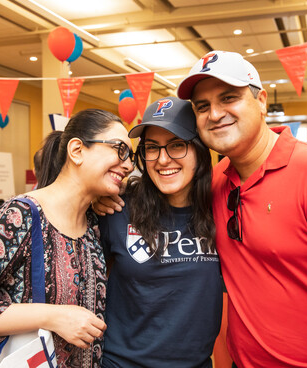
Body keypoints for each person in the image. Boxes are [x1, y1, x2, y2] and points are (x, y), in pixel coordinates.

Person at [175, 50, 307, 367]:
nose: (215, 114)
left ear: (261, 101)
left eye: (228, 98)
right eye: (202, 107)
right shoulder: (214, 182)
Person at [0, 109, 135, 367]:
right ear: (77, 151)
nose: (128, 164)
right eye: (120, 149)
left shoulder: (94, 223)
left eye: (130, 157)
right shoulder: (19, 217)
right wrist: (51, 316)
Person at [94, 97, 222, 367]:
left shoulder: (221, 208)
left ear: (199, 149)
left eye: (177, 145)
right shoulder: (117, 208)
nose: (163, 160)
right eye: (152, 148)